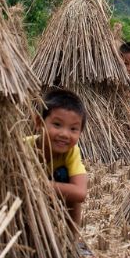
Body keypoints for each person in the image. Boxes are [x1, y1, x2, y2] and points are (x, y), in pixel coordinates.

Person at [26, 88, 89, 227]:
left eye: (73, 129)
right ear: (39, 122)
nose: (65, 134)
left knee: (66, 178)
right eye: (57, 124)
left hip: (50, 197)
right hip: (24, 200)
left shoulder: (71, 152)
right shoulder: (22, 147)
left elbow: (80, 192)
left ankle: (73, 241)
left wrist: (38, 184)